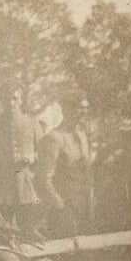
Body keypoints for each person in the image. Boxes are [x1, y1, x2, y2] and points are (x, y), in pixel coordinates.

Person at [35, 97, 94, 239]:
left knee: (84, 255)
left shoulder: (82, 136)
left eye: (85, 108)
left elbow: (87, 171)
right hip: (64, 210)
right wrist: (60, 206)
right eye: (79, 107)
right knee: (68, 257)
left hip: (83, 206)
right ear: (66, 109)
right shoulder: (54, 138)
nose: (83, 112)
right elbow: (43, 178)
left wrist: (90, 200)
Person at [0, 87, 42, 236]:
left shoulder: (32, 123)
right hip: (4, 185)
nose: (10, 102)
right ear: (1, 101)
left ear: (20, 100)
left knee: (29, 229)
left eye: (14, 98)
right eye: (7, 99)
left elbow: (43, 152)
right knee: (4, 231)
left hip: (27, 183)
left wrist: (32, 156)